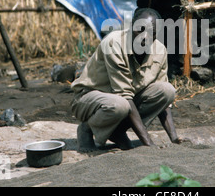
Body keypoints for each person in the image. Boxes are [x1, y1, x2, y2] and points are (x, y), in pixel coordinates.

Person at [71, 8, 184, 152]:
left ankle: (116, 132)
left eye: (152, 33)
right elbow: (124, 95)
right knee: (120, 105)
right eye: (140, 30)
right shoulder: (114, 43)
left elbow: (164, 103)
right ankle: (86, 128)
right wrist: (148, 143)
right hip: (88, 99)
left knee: (167, 91)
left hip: (124, 99)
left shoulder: (160, 51)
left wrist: (174, 138)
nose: (144, 37)